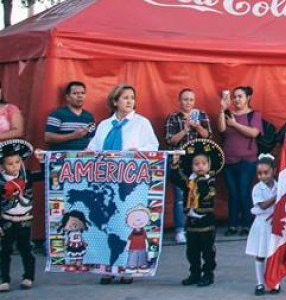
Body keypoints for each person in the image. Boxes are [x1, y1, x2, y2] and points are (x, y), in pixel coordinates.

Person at [87, 84, 159, 284]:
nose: (129, 101)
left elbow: (153, 147)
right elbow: (92, 148)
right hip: (105, 182)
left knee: (127, 224)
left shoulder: (141, 123)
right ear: (115, 101)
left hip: (130, 182)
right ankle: (107, 267)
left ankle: (127, 268)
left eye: (132, 98)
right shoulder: (104, 125)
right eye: (125, 97)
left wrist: (138, 151)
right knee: (106, 223)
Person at [165, 88, 213, 244]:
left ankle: (198, 228)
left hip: (198, 163)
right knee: (179, 198)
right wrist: (185, 129)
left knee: (199, 194)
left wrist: (198, 126)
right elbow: (170, 140)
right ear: (179, 101)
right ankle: (180, 230)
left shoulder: (202, 115)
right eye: (185, 99)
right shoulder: (173, 117)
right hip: (178, 162)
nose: (188, 102)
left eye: (191, 100)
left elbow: (208, 136)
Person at [218, 86, 262, 237]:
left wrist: (235, 124)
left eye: (240, 96)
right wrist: (222, 110)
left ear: (247, 98)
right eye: (234, 97)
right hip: (229, 159)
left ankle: (246, 224)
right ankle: (232, 225)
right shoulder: (228, 114)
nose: (236, 99)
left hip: (247, 160)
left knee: (244, 192)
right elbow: (222, 129)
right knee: (233, 193)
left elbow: (254, 133)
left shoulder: (254, 114)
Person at [177, 140, 222, 288]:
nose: (200, 166)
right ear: (192, 166)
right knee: (192, 250)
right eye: (196, 164)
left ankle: (208, 274)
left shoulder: (209, 181)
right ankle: (194, 273)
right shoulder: (189, 181)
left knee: (207, 251)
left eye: (203, 164)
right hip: (191, 221)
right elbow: (175, 179)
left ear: (209, 166)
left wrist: (199, 180)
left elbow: (205, 194)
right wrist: (175, 164)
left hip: (206, 220)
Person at [0, 140, 40, 291]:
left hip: (25, 219)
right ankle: (4, 279)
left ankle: (28, 277)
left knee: (26, 249)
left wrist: (42, 161)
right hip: (7, 220)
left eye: (17, 162)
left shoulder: (27, 176)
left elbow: (44, 175)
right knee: (4, 250)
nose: (15, 166)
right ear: (2, 166)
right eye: (10, 164)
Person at [246, 154, 279, 295]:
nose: (263, 176)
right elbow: (264, 206)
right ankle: (260, 283)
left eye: (266, 172)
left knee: (274, 254)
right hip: (262, 224)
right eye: (259, 173)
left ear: (274, 171)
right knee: (260, 254)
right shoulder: (257, 188)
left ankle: (274, 283)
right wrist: (278, 195)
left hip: (275, 225)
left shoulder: (279, 185)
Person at [44, 81, 96, 151]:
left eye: (82, 93)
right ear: (67, 97)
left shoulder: (89, 117)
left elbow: (92, 139)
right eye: (75, 93)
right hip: (61, 158)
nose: (80, 96)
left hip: (82, 159)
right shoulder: (57, 114)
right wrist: (73, 135)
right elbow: (48, 137)